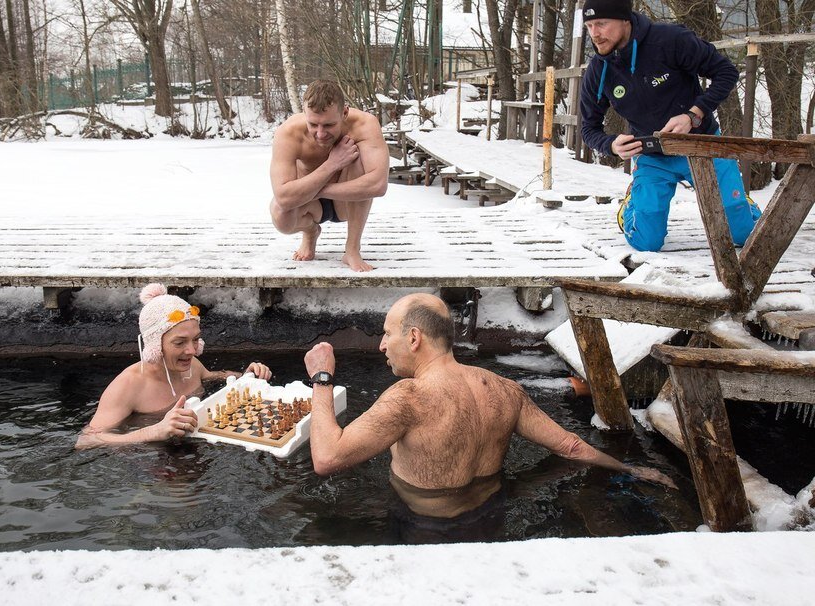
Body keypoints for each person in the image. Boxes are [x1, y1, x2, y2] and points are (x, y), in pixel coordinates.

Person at [303, 293, 675, 528]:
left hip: (424, 524)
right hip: (490, 516)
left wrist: (322, 378)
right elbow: (572, 448)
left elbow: (327, 458)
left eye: (388, 334)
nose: (382, 345)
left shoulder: (409, 397)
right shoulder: (503, 388)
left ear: (414, 338)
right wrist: (631, 468)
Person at [578, 0, 760, 252]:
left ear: (625, 20)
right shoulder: (598, 71)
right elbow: (588, 128)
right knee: (646, 242)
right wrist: (610, 145)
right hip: (653, 156)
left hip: (702, 145)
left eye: (601, 24)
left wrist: (693, 115)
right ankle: (634, 202)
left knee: (742, 234)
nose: (595, 34)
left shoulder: (669, 40)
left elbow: (726, 72)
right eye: (589, 26)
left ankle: (740, 204)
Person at [76, 283, 272, 448]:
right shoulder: (128, 385)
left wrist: (246, 376)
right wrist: (153, 431)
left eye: (196, 340)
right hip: (151, 465)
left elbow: (214, 376)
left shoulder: (192, 364)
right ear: (154, 345)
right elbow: (86, 440)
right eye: (179, 343)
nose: (192, 351)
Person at [269, 79, 389, 272]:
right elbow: (283, 197)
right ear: (304, 113)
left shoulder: (365, 124)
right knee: (281, 216)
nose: (320, 133)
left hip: (347, 202)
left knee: (357, 158)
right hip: (310, 205)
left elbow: (378, 185)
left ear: (345, 113)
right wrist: (332, 164)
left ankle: (352, 249)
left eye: (329, 125)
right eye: (313, 124)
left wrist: (317, 190)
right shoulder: (289, 133)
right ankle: (310, 232)